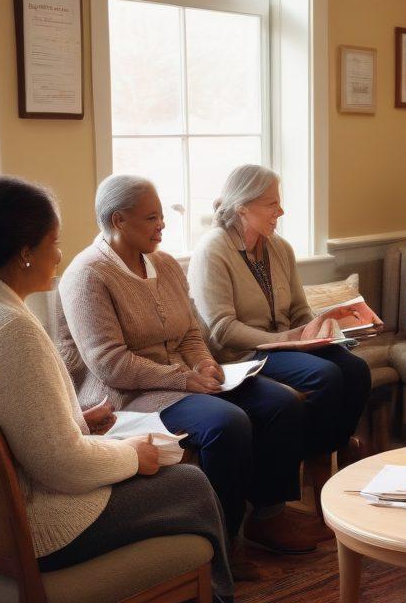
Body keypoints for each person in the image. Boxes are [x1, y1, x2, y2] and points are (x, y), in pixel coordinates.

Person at [0, 176, 233, 603]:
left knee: (173, 478)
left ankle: (176, 601)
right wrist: (134, 452)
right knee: (188, 484)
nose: (60, 253)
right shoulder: (9, 328)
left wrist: (77, 420)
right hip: (29, 531)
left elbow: (2, 425)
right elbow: (63, 467)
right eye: (54, 242)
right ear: (24, 252)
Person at [57, 175, 323, 573]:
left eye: (162, 216)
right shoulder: (88, 275)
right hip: (125, 396)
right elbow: (110, 363)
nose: (162, 226)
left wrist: (203, 363)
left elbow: (189, 334)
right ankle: (222, 546)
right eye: (151, 218)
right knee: (226, 423)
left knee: (279, 402)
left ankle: (268, 517)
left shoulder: (164, 264)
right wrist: (182, 378)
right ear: (118, 220)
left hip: (183, 381)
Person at [187, 164, 371, 470]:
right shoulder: (213, 250)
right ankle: (310, 458)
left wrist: (322, 328)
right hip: (244, 353)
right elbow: (222, 329)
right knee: (325, 376)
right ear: (243, 208)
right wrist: (279, 340)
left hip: (286, 344)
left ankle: (325, 449)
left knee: (356, 369)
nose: (281, 211)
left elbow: (299, 310)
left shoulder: (279, 247)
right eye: (272, 203)